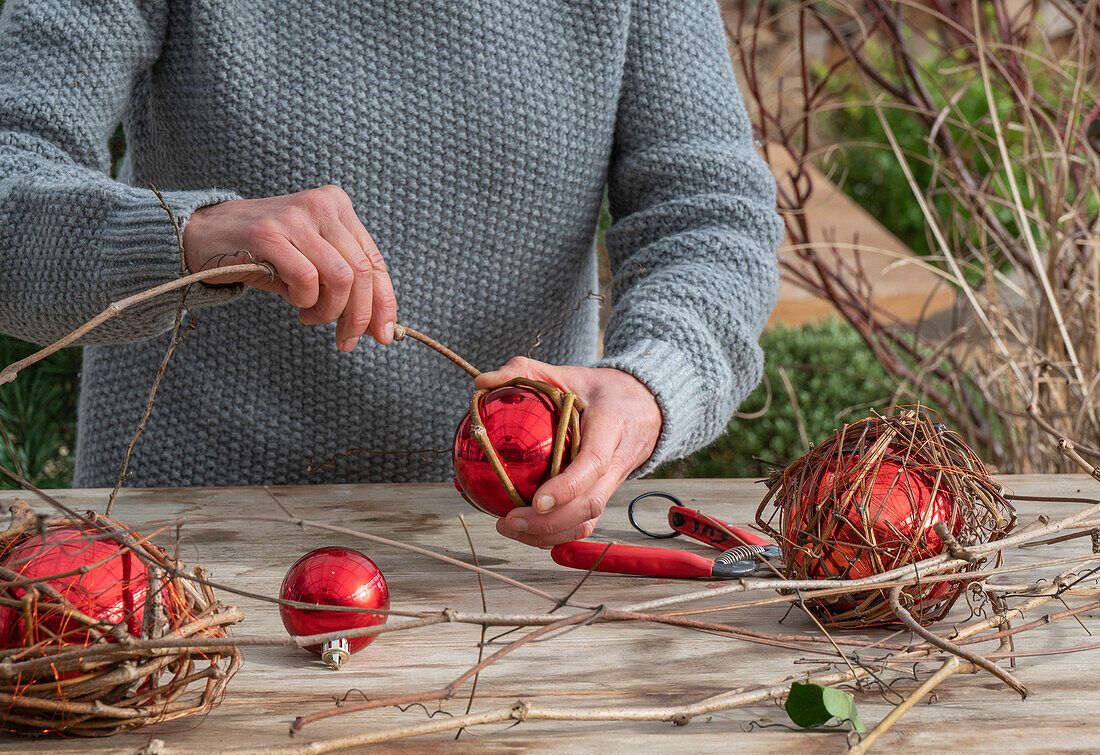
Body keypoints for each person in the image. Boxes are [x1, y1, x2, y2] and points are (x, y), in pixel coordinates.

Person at [0, 0, 782, 548]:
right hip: (182, 545)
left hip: (509, 558)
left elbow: (707, 210)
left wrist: (652, 384)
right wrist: (189, 235)